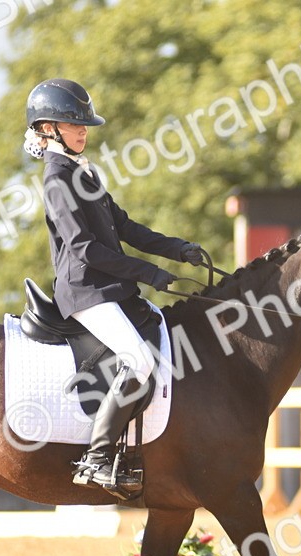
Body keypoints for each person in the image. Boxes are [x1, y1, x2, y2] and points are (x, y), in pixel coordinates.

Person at [24, 78, 207, 496]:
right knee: (138, 361)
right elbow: (84, 249)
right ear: (48, 128)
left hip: (108, 289)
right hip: (85, 291)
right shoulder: (57, 178)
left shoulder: (82, 170)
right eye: (74, 124)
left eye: (85, 123)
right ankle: (97, 458)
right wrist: (149, 274)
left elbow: (124, 227)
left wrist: (177, 249)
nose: (84, 130)